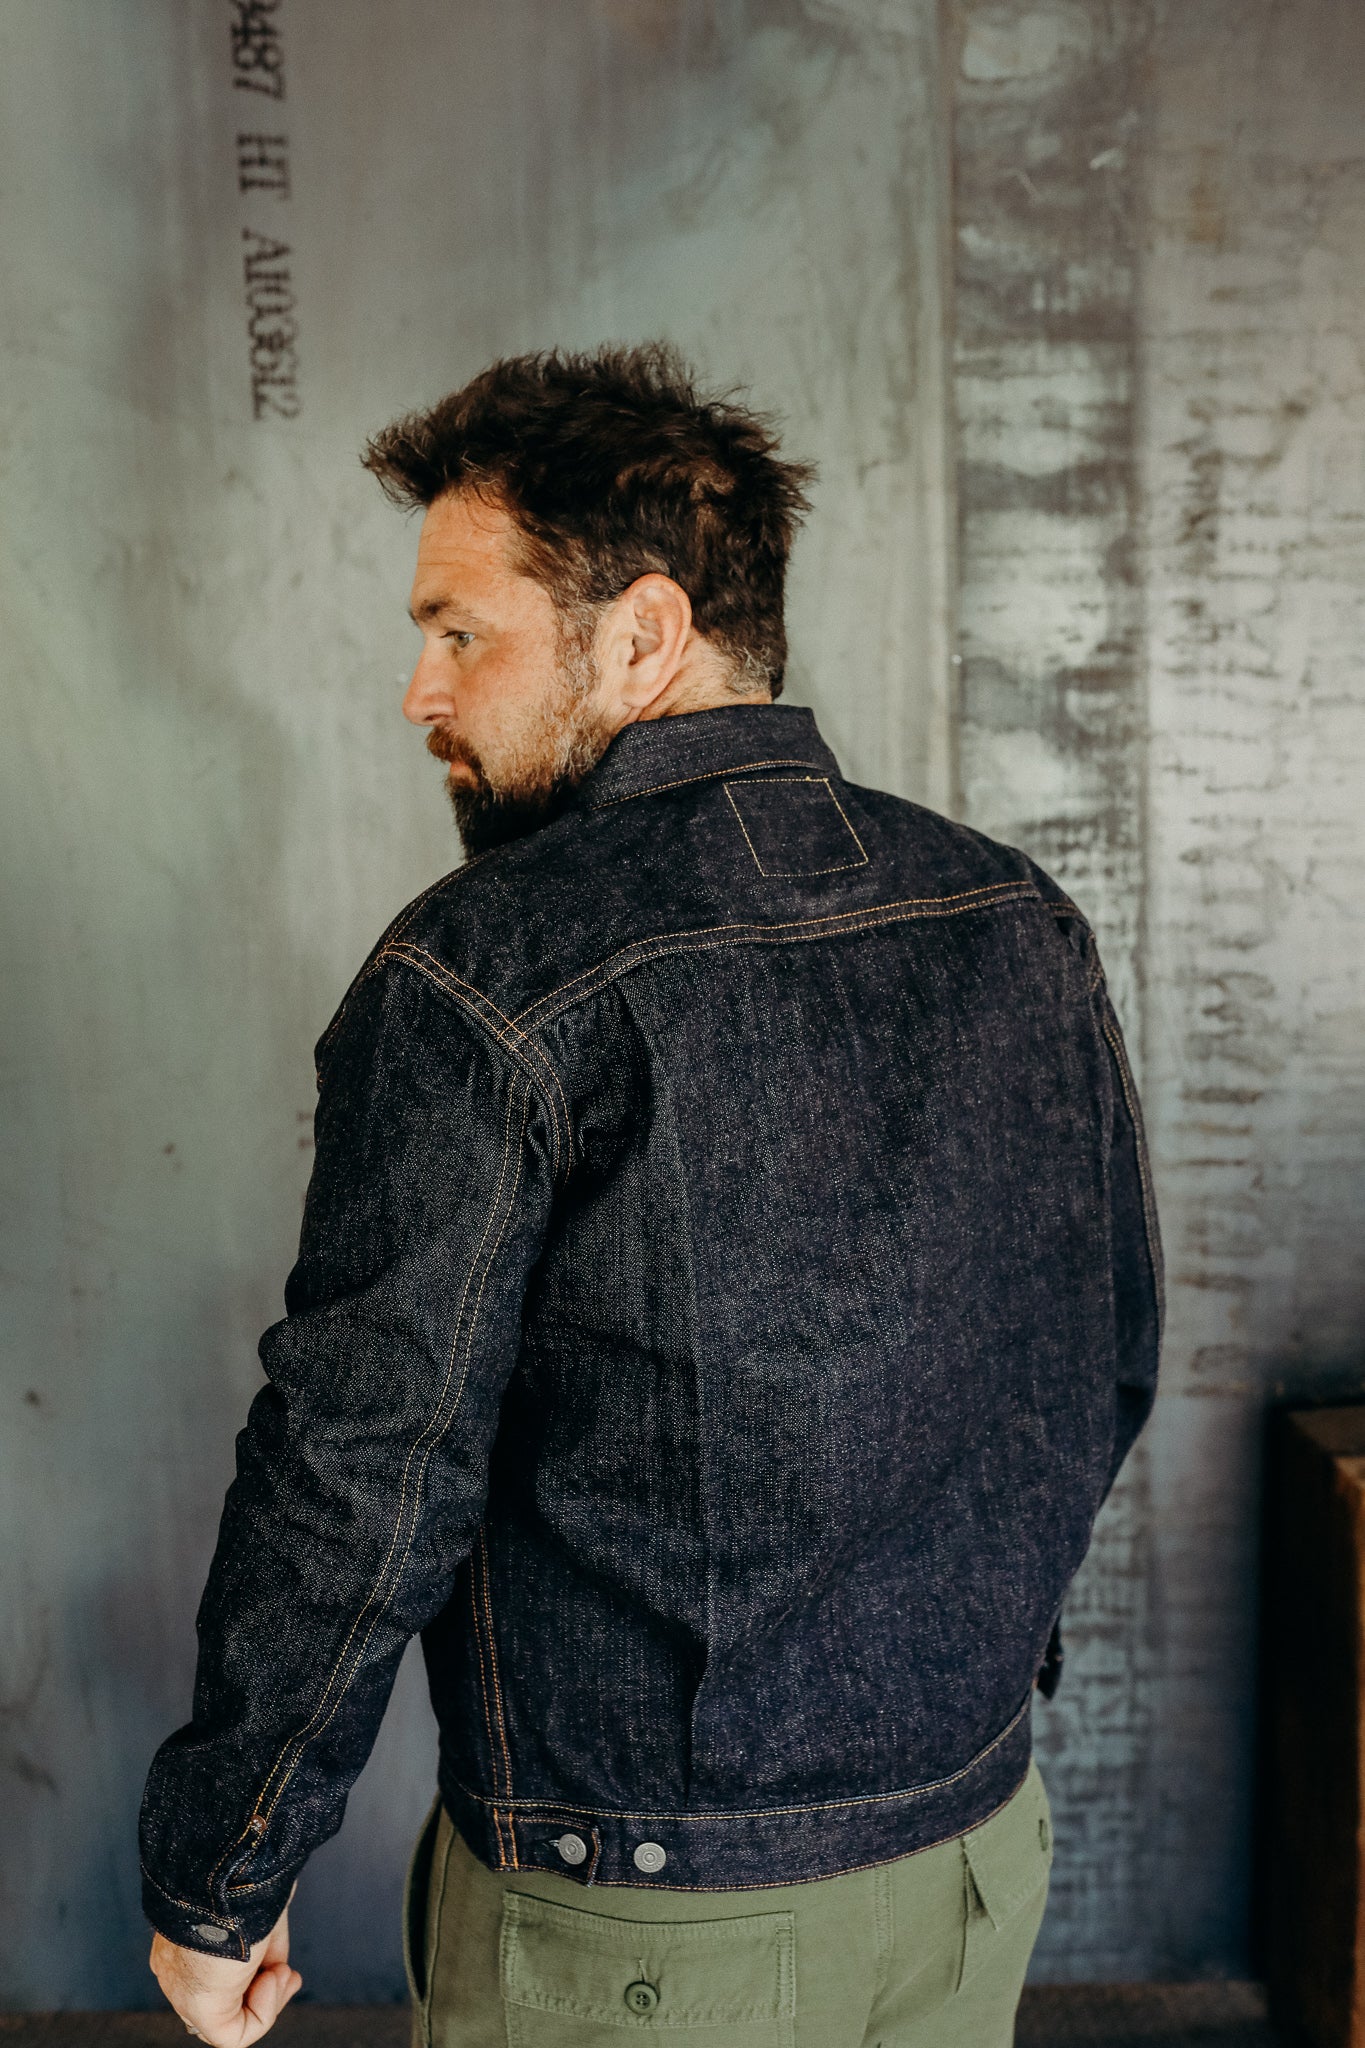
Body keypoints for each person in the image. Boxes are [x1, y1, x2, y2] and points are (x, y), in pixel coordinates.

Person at [140, 343, 1163, 2047]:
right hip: (973, 1862)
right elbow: (1101, 1359)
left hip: (636, 1935)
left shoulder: (485, 972)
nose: (418, 692)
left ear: (641, 635)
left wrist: (221, 1869)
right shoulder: (1008, 913)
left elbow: (362, 1470)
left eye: (460, 633)